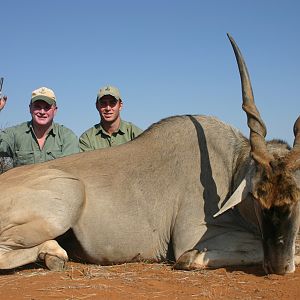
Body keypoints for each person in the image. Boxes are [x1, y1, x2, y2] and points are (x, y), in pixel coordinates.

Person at [0, 86, 79, 167]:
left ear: (55, 110)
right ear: (30, 108)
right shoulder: (15, 134)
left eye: (47, 107)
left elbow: (71, 167)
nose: (42, 112)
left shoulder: (67, 137)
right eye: (37, 106)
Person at [79, 85, 143, 151]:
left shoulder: (134, 132)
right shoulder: (87, 138)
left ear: (120, 105)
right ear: (97, 106)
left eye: (112, 103)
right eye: (103, 103)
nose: (108, 108)